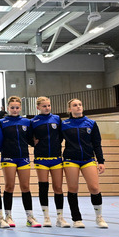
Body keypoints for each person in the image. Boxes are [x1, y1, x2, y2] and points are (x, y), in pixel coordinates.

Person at [61, 98, 108, 228]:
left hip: (88, 159)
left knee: (94, 188)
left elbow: (97, 144)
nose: (78, 107)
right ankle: (76, 219)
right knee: (73, 189)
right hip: (70, 160)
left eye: (80, 105)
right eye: (75, 105)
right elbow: (54, 140)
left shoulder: (91, 123)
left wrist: (101, 161)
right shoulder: (64, 124)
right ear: (69, 109)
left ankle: (99, 217)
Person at [0, 96, 40, 227]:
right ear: (8, 108)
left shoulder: (27, 122)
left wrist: (35, 142)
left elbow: (30, 139)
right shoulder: (2, 122)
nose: (15, 110)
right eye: (12, 108)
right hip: (8, 158)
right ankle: (8, 217)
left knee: (25, 187)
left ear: (20, 108)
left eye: (17, 107)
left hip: (24, 158)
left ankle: (30, 217)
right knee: (9, 186)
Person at [32, 96, 69, 227]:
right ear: (38, 107)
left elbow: (61, 136)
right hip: (41, 159)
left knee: (58, 187)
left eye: (48, 105)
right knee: (43, 187)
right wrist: (33, 142)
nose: (47, 108)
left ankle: (60, 218)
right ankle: (46, 217)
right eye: (44, 106)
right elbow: (30, 137)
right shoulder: (33, 121)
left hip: (56, 158)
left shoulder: (57, 119)